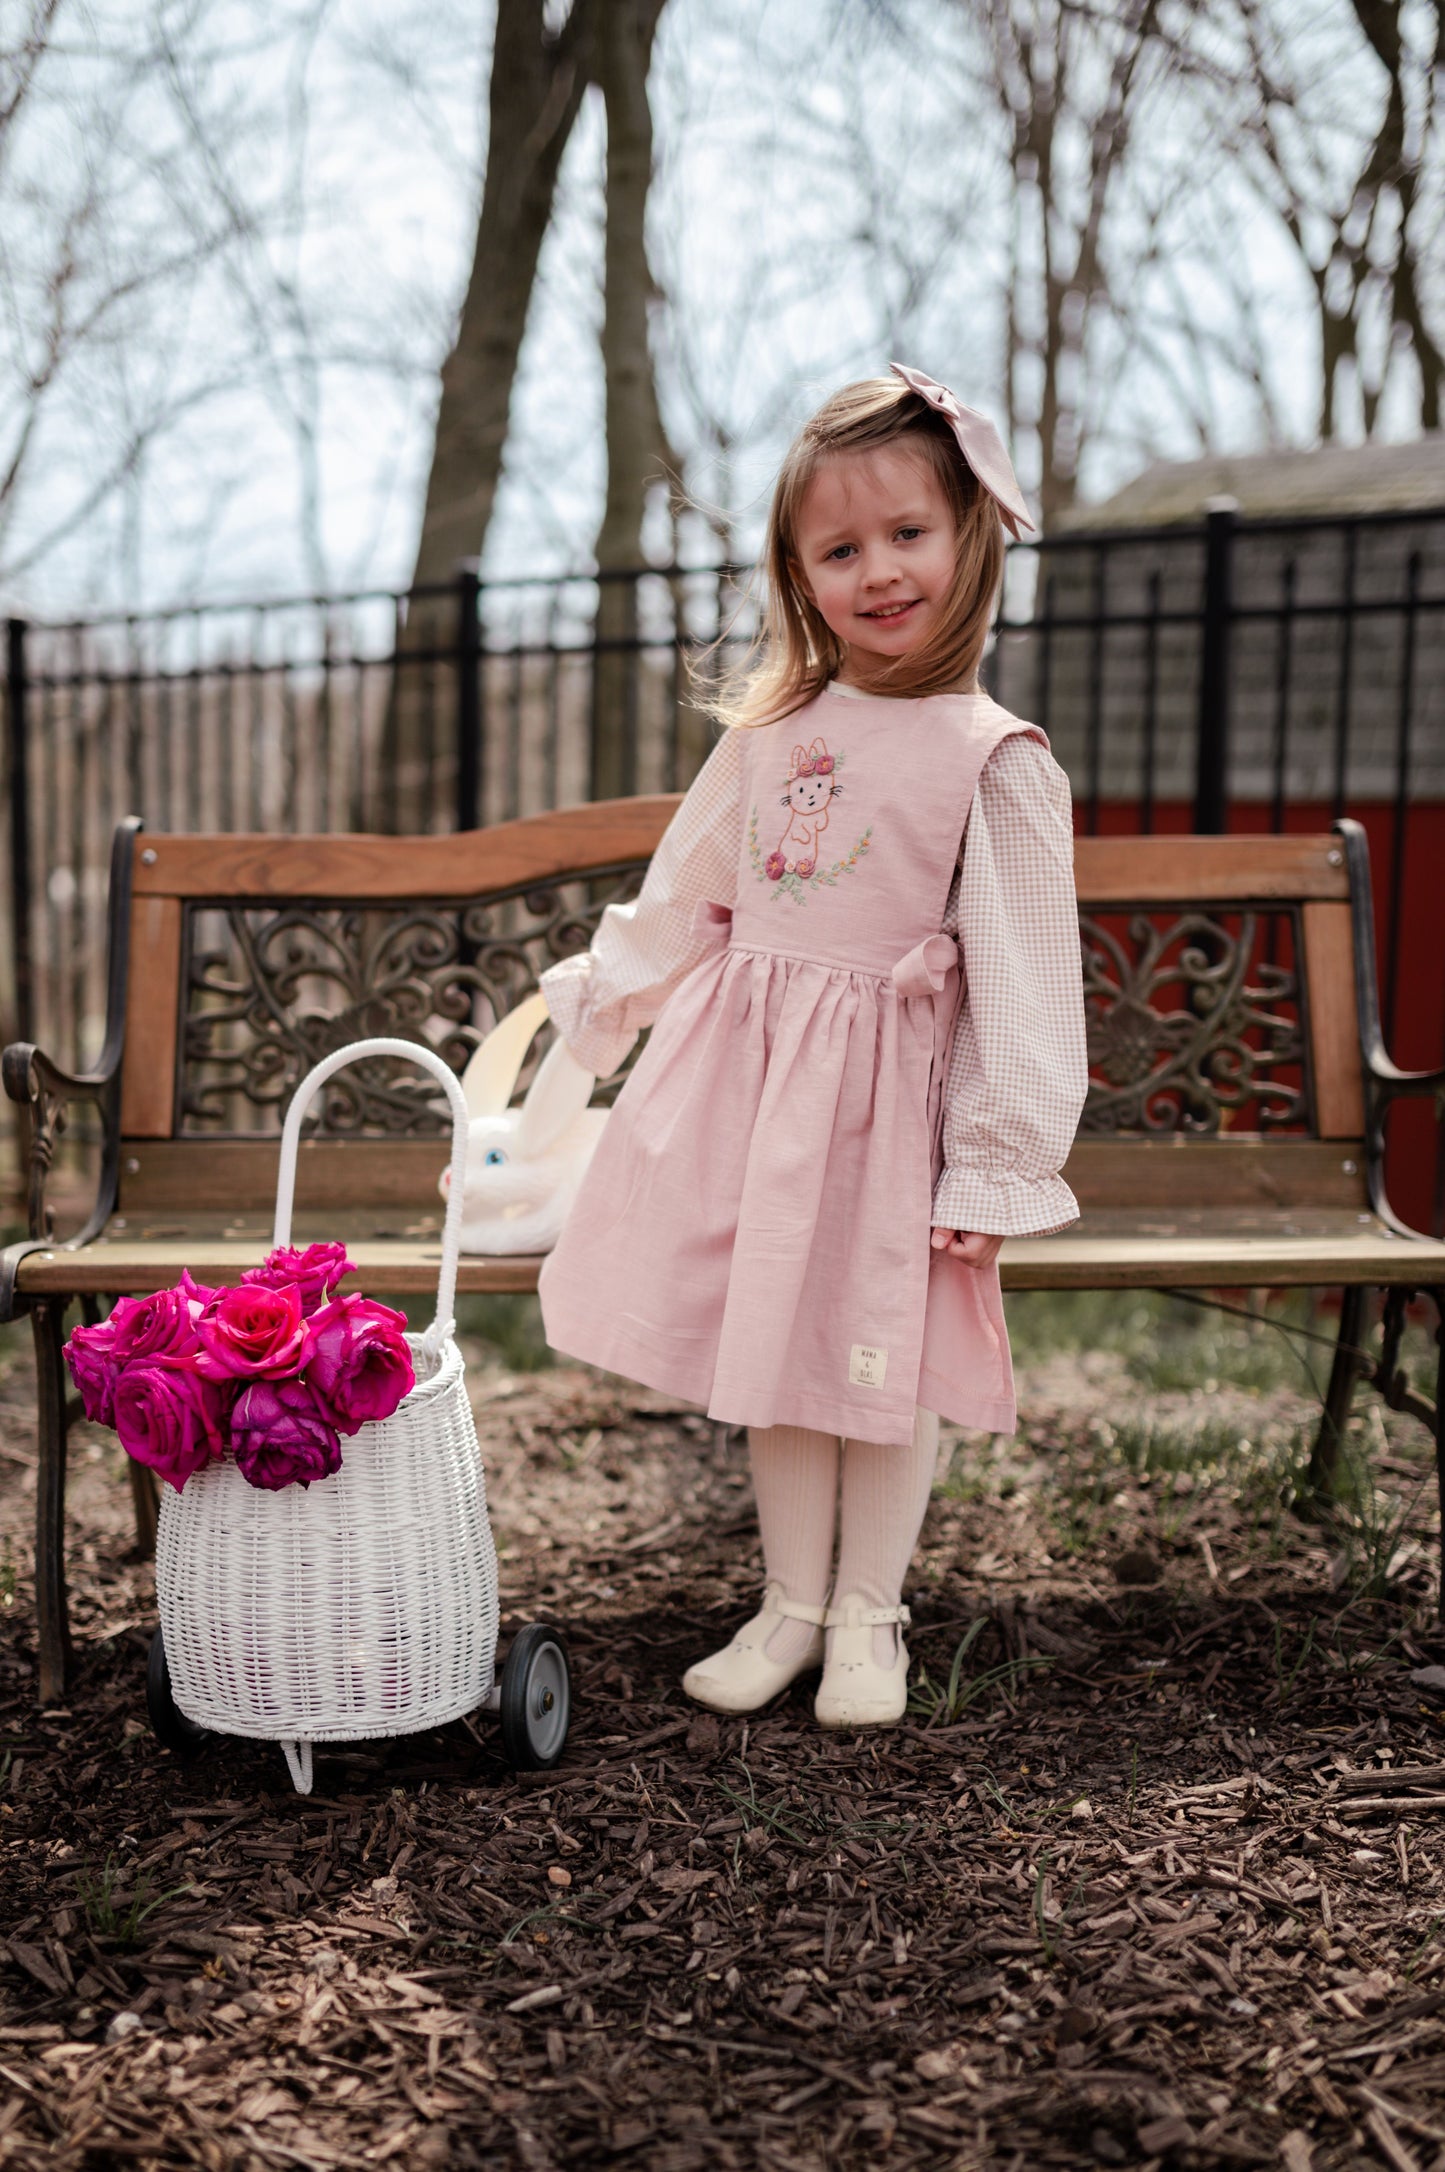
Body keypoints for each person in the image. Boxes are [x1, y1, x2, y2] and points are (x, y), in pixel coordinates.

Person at [537, 362, 1088, 1727]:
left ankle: (867, 1616)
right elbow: (689, 891)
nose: (879, 570)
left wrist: (993, 1166)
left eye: (907, 533)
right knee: (775, 1341)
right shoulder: (775, 733)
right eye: (839, 549)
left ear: (969, 538)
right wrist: (603, 1010)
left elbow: (1023, 987)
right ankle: (789, 1603)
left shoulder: (992, 756)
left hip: (890, 1108)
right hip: (756, 1098)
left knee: (874, 1352)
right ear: (798, 574)